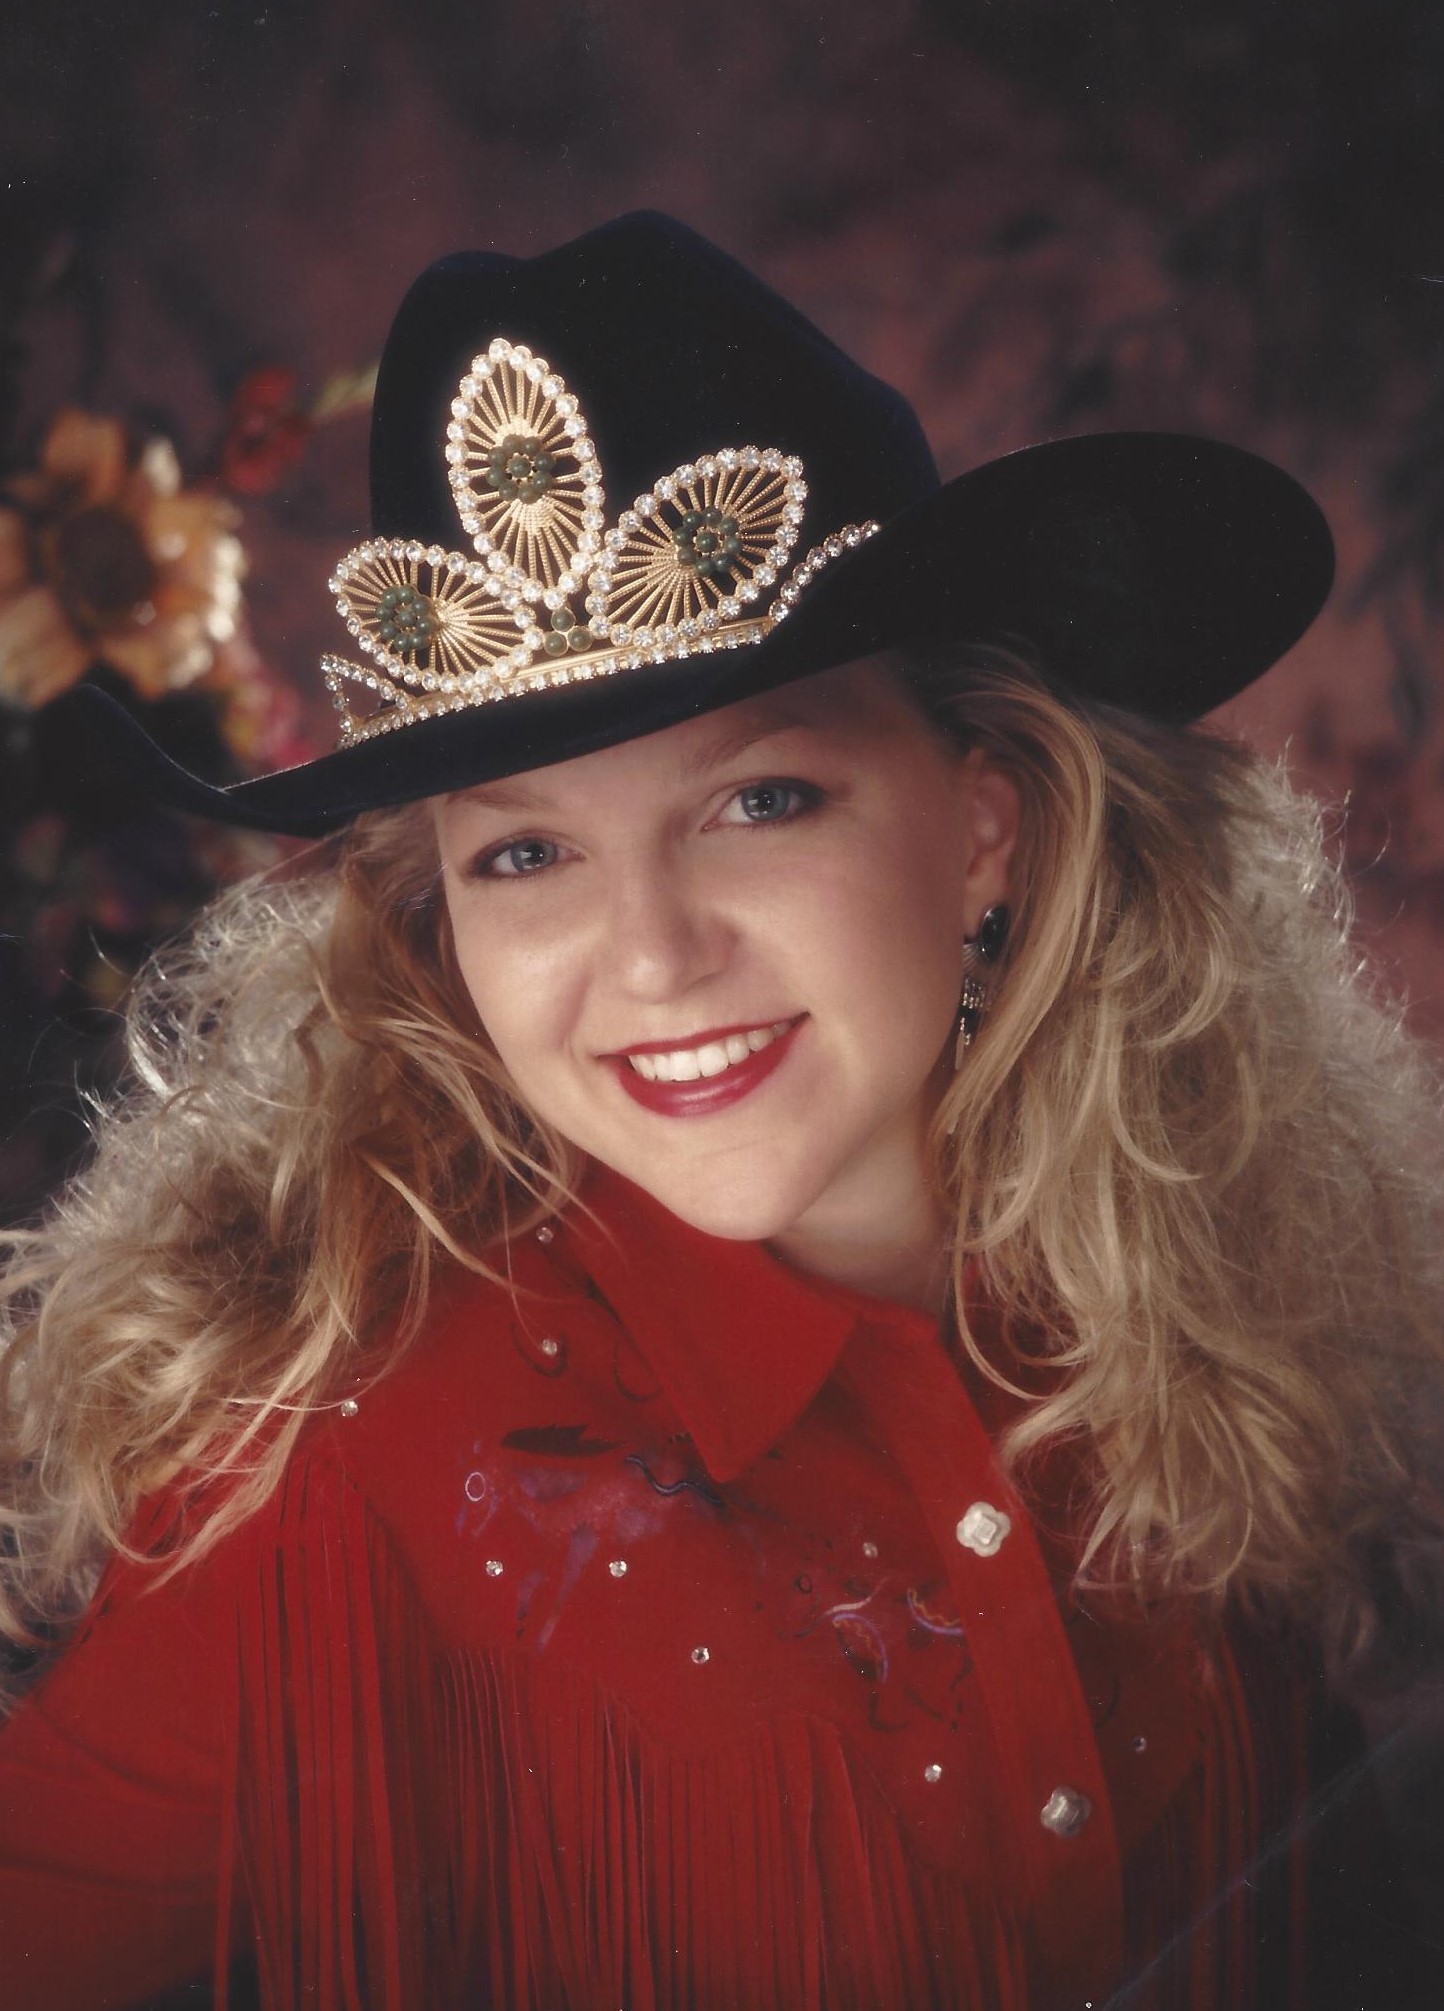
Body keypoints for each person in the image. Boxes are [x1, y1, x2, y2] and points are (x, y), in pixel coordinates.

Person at [0, 212, 1440, 2011]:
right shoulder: (329, 1482)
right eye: (528, 853)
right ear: (442, 927)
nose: (654, 955)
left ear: (983, 827)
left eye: (762, 801)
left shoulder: (1224, 1309)